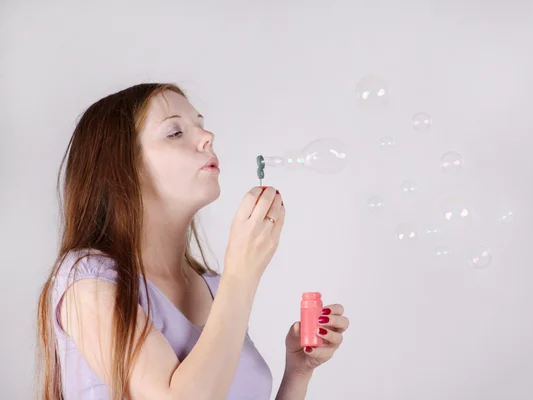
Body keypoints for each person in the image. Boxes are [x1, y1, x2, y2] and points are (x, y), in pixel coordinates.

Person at [35, 83, 349, 400]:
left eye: (200, 124)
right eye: (175, 132)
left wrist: (299, 371)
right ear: (123, 167)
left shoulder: (214, 287)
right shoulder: (86, 282)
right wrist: (242, 274)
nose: (207, 136)